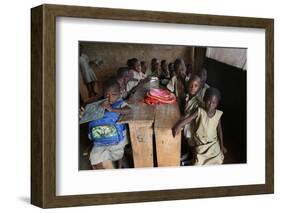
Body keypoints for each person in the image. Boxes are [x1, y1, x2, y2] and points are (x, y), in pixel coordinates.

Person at [172, 87, 227, 165]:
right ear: (204, 99)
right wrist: (178, 125)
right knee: (198, 163)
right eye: (209, 101)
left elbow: (219, 131)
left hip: (213, 144)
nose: (210, 104)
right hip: (200, 144)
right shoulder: (199, 111)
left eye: (214, 102)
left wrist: (221, 146)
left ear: (217, 103)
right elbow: (189, 119)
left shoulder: (218, 114)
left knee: (218, 160)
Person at [88, 79, 131, 169]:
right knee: (94, 158)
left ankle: (119, 166)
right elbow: (87, 115)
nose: (110, 98)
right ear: (103, 93)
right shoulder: (99, 103)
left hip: (117, 140)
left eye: (114, 94)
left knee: (118, 154)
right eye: (107, 94)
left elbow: (129, 110)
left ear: (120, 94)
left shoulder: (120, 103)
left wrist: (112, 109)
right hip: (99, 138)